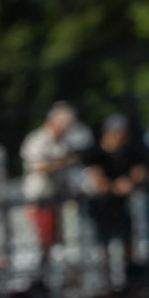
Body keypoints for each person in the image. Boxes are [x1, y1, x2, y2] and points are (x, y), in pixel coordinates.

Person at [19, 101, 90, 267]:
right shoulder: (37, 140)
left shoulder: (63, 143)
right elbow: (36, 167)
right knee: (42, 243)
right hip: (39, 199)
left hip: (58, 197)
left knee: (60, 242)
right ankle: (39, 278)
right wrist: (63, 162)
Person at [84, 114, 146, 287]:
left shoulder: (130, 152)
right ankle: (107, 286)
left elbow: (139, 173)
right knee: (103, 247)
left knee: (128, 243)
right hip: (100, 206)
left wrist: (131, 182)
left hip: (121, 206)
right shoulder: (95, 153)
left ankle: (131, 282)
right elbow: (97, 183)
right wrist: (116, 187)